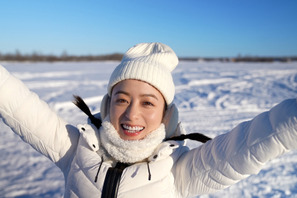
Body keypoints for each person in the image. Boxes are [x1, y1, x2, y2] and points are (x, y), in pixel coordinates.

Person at [0, 42, 296, 198]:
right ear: (107, 103)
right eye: (122, 99)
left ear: (166, 114)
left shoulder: (177, 171)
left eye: (148, 102)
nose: (131, 114)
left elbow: (256, 140)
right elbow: (18, 104)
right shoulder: (76, 148)